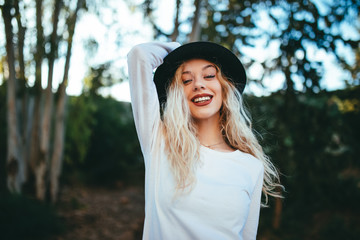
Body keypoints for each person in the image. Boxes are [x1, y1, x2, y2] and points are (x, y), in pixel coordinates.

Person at [127, 41, 282, 240]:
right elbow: (139, 55)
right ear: (177, 94)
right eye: (186, 80)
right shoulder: (160, 143)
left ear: (225, 87)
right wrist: (178, 49)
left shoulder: (251, 167)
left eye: (209, 76)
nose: (199, 84)